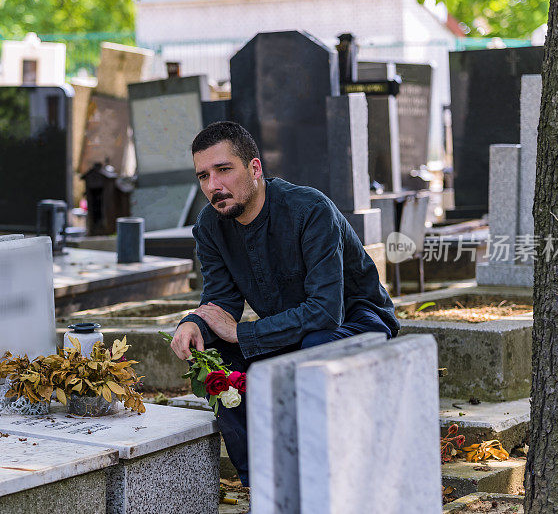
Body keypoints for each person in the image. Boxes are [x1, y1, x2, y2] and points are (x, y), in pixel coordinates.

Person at [170, 121, 400, 487]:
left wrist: (242, 332)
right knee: (212, 356)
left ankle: (330, 478)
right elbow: (220, 299)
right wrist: (194, 323)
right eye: (203, 176)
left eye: (224, 170)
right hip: (287, 331)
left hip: (358, 322)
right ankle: (261, 483)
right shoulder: (210, 225)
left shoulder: (310, 210)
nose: (214, 186)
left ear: (255, 168)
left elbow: (327, 312)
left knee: (313, 348)